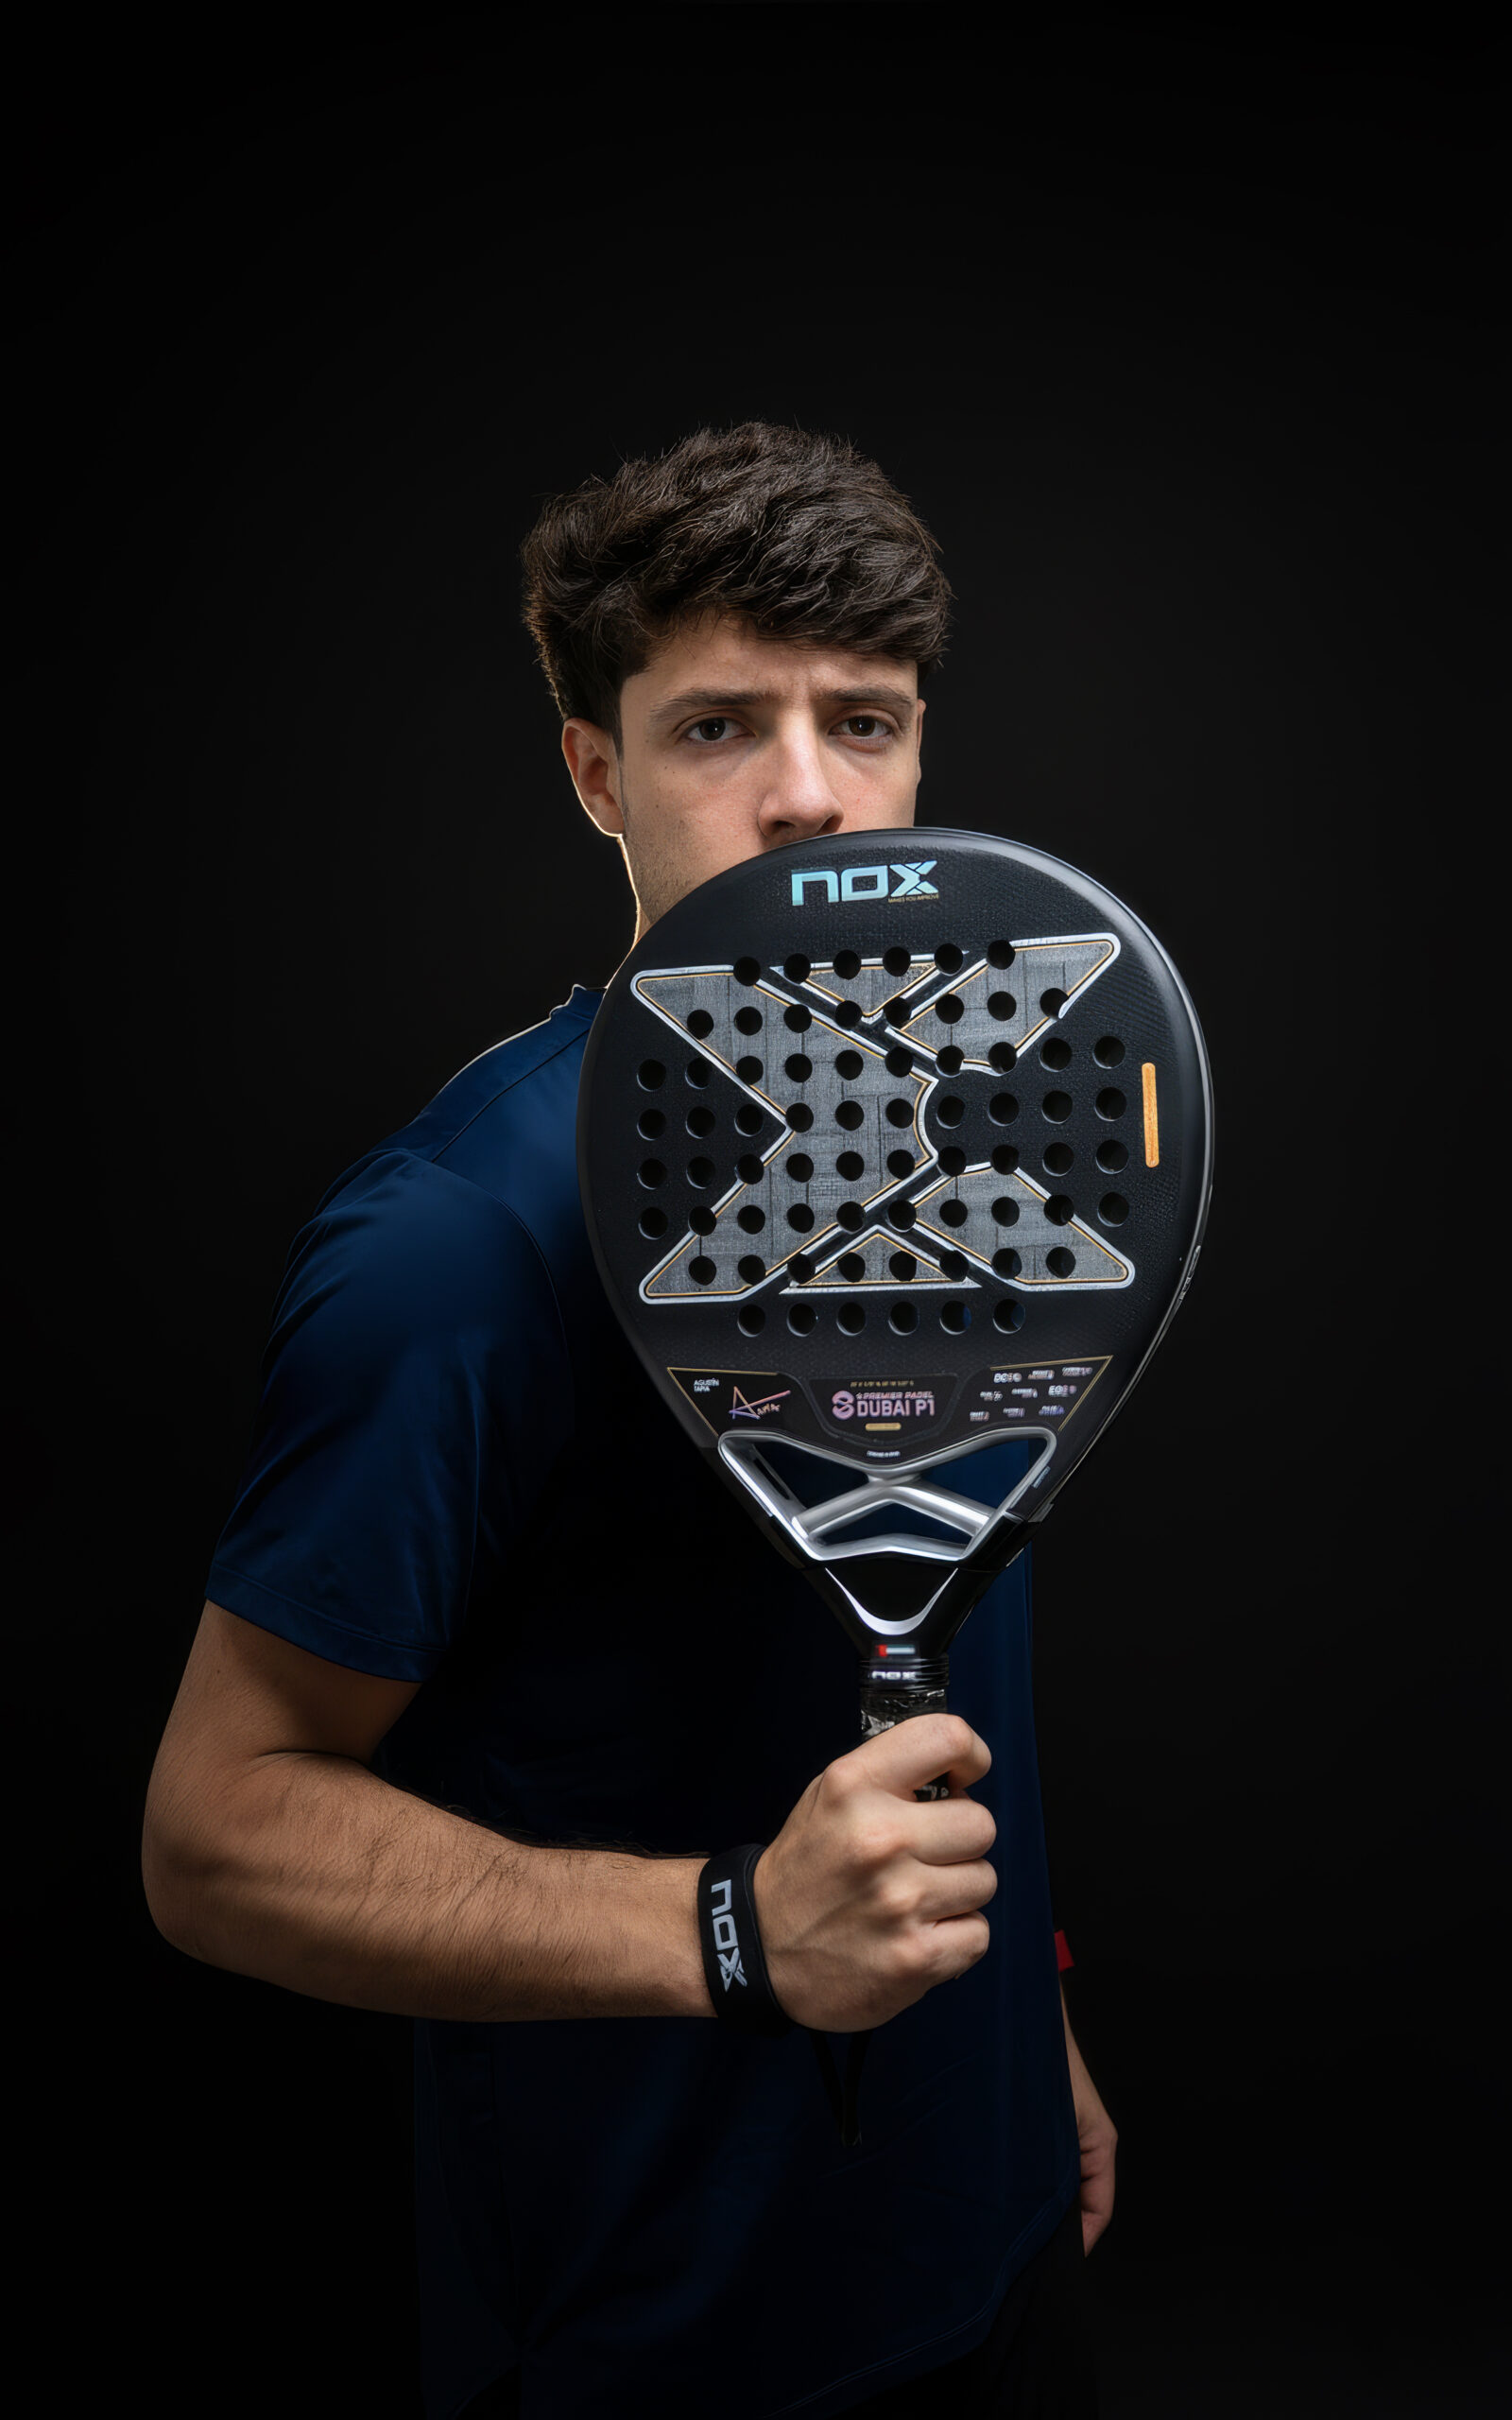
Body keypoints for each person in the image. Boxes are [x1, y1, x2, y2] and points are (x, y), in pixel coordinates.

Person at [142, 420, 1117, 2420]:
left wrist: (1033, 2035)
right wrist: (737, 1932)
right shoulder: (457, 1244)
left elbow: (922, 1650)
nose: (807, 795)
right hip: (668, 2337)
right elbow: (213, 1835)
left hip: (991, 2237)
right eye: (716, 728)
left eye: (862, 721)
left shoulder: (985, 1149)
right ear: (596, 773)